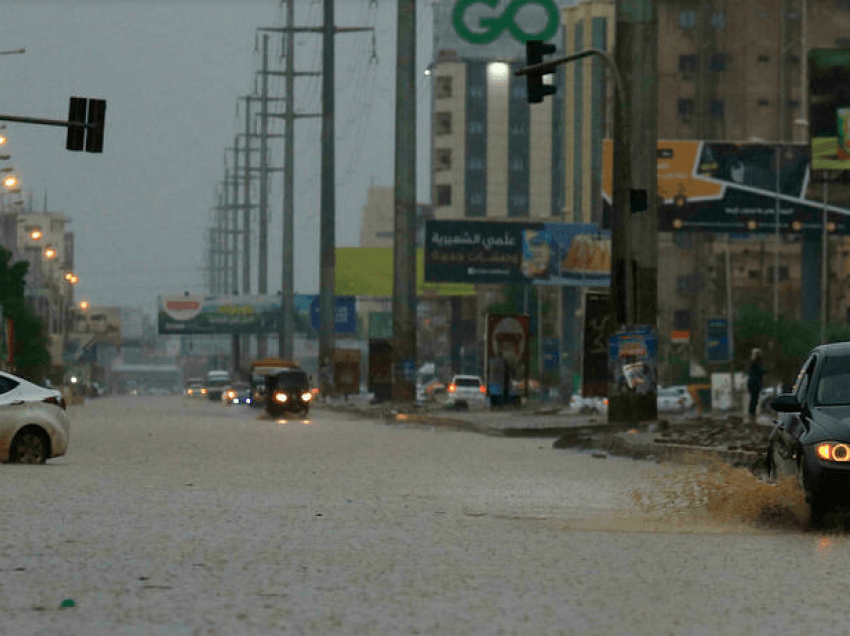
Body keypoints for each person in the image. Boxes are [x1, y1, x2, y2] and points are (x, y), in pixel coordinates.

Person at [747, 348, 765, 422]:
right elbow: (760, 372)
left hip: (752, 383)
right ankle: (752, 413)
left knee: (753, 399)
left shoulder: (753, 362)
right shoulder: (756, 363)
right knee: (754, 399)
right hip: (755, 383)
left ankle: (752, 413)